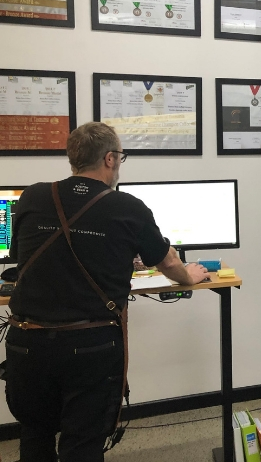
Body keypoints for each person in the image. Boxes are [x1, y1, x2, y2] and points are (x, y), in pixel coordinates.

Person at [5, 122, 209, 462]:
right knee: (82, 444)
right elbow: (168, 262)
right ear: (110, 158)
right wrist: (189, 276)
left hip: (26, 343)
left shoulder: (33, 196)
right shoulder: (128, 207)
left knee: (35, 435)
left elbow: (24, 254)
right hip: (90, 346)